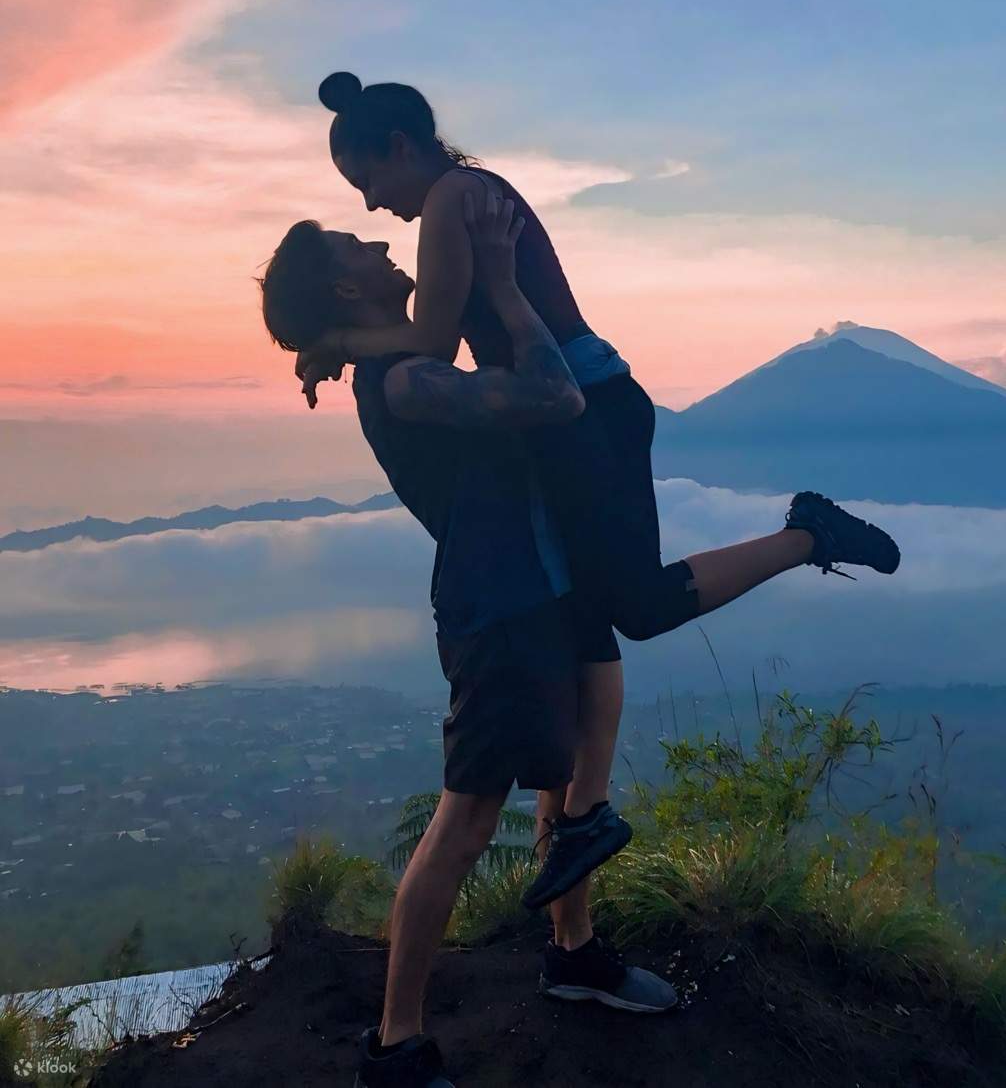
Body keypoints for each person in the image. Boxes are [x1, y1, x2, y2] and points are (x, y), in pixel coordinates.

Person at [295, 73, 901, 901]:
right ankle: (582, 825)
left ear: (399, 148)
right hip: (572, 408)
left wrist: (335, 337)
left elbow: (430, 339)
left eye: (365, 181)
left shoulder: (450, 200)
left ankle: (810, 534)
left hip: (583, 407)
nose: (370, 207)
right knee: (577, 602)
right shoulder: (467, 189)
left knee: (639, 606)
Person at [259, 196, 679, 1088]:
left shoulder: (402, 361)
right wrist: (499, 283)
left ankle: (574, 954)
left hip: (540, 584)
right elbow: (558, 395)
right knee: (466, 818)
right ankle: (395, 1047)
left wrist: (331, 343)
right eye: (356, 243)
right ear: (345, 282)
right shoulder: (407, 382)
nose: (380, 237)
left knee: (563, 786)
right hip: (499, 607)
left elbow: (420, 339)